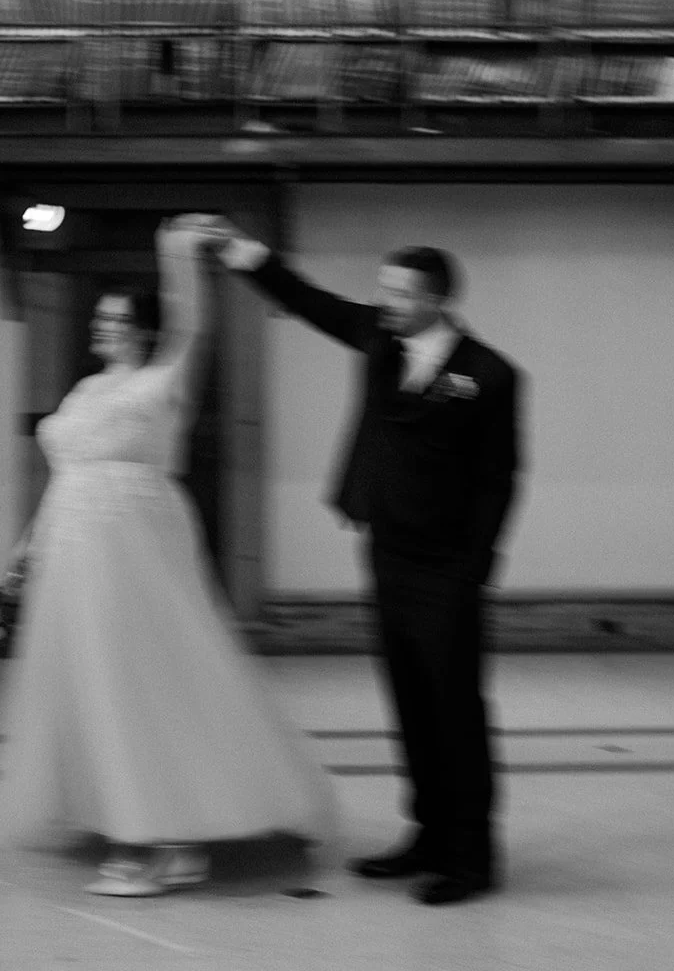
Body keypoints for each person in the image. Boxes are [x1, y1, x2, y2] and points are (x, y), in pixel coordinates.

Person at [0, 214, 338, 897]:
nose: (101, 328)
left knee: (137, 680)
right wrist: (23, 554)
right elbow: (65, 476)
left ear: (144, 329)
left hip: (131, 551)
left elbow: (191, 325)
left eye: (115, 320)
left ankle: (169, 840)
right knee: (90, 686)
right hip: (74, 551)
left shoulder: (165, 381)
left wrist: (173, 254)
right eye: (100, 319)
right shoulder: (85, 391)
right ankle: (122, 813)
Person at [210, 218, 522, 907]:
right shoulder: (379, 340)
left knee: (454, 710)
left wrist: (473, 570)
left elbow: (500, 479)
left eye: (401, 293)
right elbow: (313, 302)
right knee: (409, 701)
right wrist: (248, 258)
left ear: (437, 300)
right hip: (386, 552)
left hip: (446, 568)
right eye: (383, 289)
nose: (386, 302)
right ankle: (427, 836)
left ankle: (471, 857)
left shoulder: (489, 374)